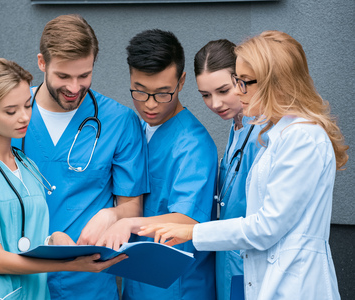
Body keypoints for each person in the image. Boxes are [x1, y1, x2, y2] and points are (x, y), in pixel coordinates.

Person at [139, 30, 349, 299]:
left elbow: (267, 227)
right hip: (254, 266)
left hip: (290, 279)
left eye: (243, 83)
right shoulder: (275, 134)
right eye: (237, 82)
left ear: (276, 81)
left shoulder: (302, 137)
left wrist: (192, 231)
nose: (238, 92)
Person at [0, 15, 149, 299]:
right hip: (18, 280)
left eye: (84, 75)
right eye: (63, 76)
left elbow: (132, 207)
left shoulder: (119, 121)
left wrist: (111, 214)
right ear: (42, 63)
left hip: (87, 284)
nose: (75, 87)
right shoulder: (4, 115)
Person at [0, 58, 127, 300]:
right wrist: (70, 265)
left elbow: (28, 234)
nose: (24, 117)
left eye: (28, 105)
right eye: (11, 111)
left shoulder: (26, 165)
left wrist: (55, 239)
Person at [106, 29, 218, 300]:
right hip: (138, 281)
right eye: (140, 92)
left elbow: (188, 219)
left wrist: (128, 223)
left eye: (162, 93)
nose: (150, 105)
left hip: (177, 286)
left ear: (181, 82)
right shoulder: (137, 130)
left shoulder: (194, 145)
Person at [194, 39, 264, 300]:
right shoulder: (235, 126)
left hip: (251, 262)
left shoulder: (264, 132)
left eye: (223, 90)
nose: (215, 103)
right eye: (205, 95)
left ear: (242, 81)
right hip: (228, 260)